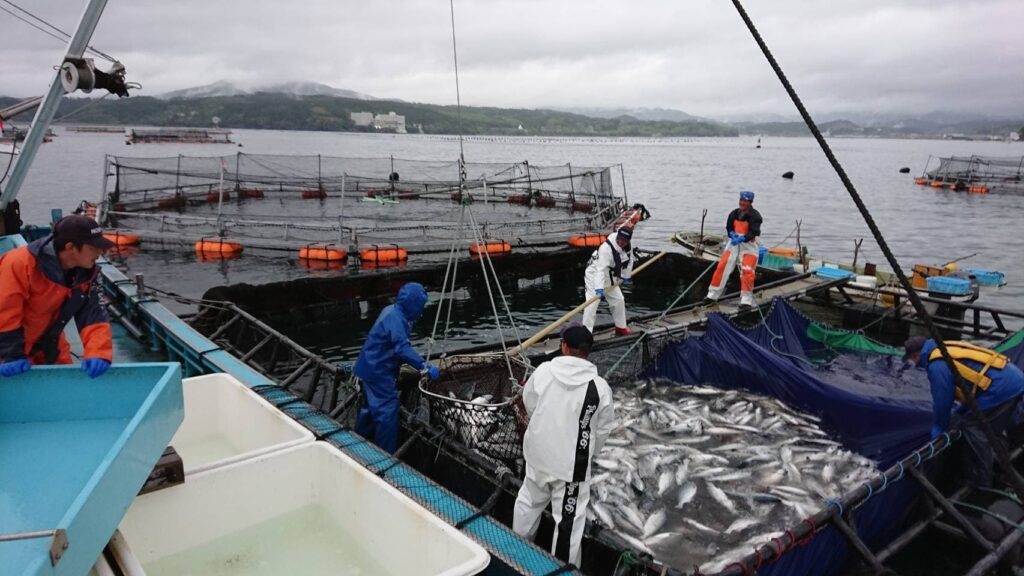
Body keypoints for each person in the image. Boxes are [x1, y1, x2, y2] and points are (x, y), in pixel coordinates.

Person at [513, 323, 615, 567]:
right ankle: (560, 570)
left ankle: (514, 550)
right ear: (587, 352)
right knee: (567, 522)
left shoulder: (544, 371)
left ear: (564, 347)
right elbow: (602, 431)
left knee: (528, 502)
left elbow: (529, 403)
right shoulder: (600, 388)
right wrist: (590, 454)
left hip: (537, 458)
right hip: (572, 471)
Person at [0, 215, 114, 378]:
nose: (101, 252)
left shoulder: (88, 273)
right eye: (94, 247)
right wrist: (9, 355)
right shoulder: (18, 264)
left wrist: (98, 352)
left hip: (50, 346)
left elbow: (94, 314)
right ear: (71, 247)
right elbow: (4, 312)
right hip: (8, 349)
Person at [904, 336, 1024, 487]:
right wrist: (963, 409)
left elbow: (942, 402)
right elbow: (972, 379)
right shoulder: (945, 345)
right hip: (1012, 379)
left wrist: (939, 428)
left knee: (974, 427)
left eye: (911, 360)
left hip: (1001, 389)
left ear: (916, 355)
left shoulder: (937, 365)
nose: (913, 364)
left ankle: (981, 480)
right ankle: (1001, 466)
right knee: (992, 427)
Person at [353, 282, 440, 453]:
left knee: (370, 409)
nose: (421, 311)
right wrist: (424, 365)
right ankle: (384, 456)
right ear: (413, 305)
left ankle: (358, 443)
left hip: (368, 367)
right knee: (387, 410)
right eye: (420, 306)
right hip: (379, 372)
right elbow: (402, 348)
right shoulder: (397, 320)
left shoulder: (392, 311)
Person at [704, 190, 762, 310]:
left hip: (748, 246)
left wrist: (743, 238)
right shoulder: (734, 213)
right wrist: (731, 234)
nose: (742, 203)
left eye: (745, 201)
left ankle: (746, 300)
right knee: (722, 266)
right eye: (741, 200)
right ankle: (712, 295)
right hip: (733, 244)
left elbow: (754, 232)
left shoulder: (755, 216)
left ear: (750, 202)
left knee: (747, 270)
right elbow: (729, 227)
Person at [582, 226, 634, 335]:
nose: (621, 242)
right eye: (620, 239)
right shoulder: (606, 248)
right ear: (617, 236)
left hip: (610, 276)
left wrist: (625, 275)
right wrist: (599, 289)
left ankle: (621, 327)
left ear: (628, 241)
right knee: (592, 304)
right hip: (594, 274)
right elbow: (600, 270)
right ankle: (586, 334)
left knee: (619, 300)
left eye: (624, 241)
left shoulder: (628, 247)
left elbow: (630, 260)